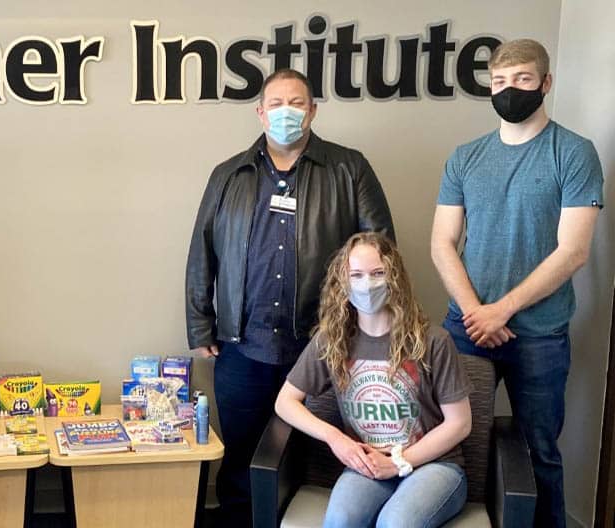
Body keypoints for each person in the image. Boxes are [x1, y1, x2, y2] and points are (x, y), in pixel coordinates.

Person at [185, 68, 395, 524]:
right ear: (260, 113)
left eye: (297, 103)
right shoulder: (228, 175)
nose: (287, 112)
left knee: (316, 459)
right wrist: (200, 323)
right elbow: (202, 248)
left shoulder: (348, 167)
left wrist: (367, 326)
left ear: (313, 110)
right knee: (241, 461)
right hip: (243, 345)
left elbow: (381, 249)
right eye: (276, 104)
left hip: (323, 344)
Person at [430, 39, 604, 527]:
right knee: (455, 441)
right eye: (501, 82)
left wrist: (500, 311)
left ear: (545, 83)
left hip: (539, 333)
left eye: (523, 80)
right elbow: (442, 243)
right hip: (466, 328)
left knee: (539, 451)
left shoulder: (573, 153)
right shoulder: (465, 157)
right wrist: (476, 313)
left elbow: (573, 252)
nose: (510, 90)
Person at [276, 232, 472, 527]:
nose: (367, 284)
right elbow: (285, 402)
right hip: (367, 463)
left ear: (394, 277)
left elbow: (460, 423)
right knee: (340, 521)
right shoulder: (332, 340)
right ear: (343, 283)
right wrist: (336, 438)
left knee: (396, 523)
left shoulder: (434, 341)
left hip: (433, 466)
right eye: (356, 275)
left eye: (377, 273)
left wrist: (397, 463)